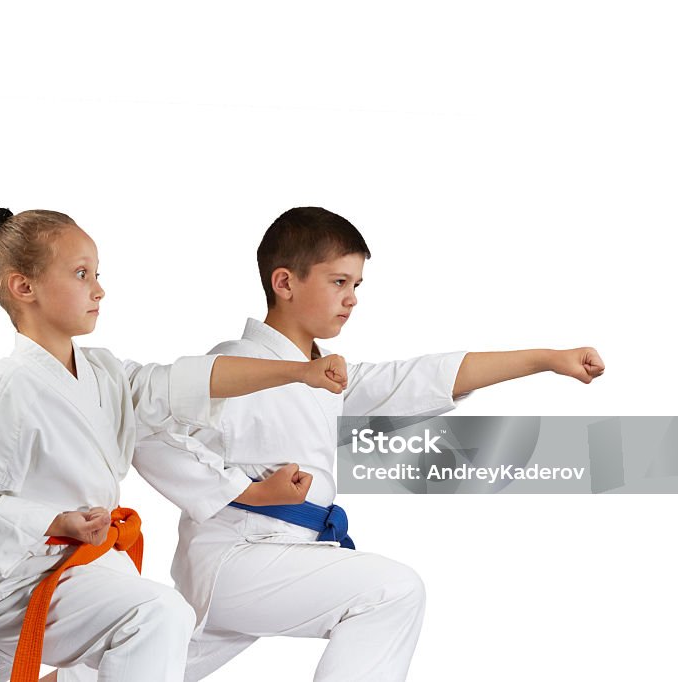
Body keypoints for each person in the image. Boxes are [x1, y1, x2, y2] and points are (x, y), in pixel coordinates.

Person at [0, 202, 348, 682]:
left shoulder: (104, 373)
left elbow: (188, 381)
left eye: (98, 274)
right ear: (24, 287)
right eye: (81, 274)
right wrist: (52, 522)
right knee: (157, 615)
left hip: (87, 570)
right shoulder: (10, 388)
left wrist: (298, 371)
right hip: (25, 582)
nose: (98, 289)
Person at [128, 206, 605, 682]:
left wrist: (546, 359)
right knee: (392, 592)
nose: (352, 298)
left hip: (271, 556)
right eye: (338, 282)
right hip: (241, 557)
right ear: (285, 283)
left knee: (140, 672)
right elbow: (142, 427)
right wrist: (244, 491)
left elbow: (417, 378)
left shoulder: (320, 376)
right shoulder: (237, 364)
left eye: (356, 285)